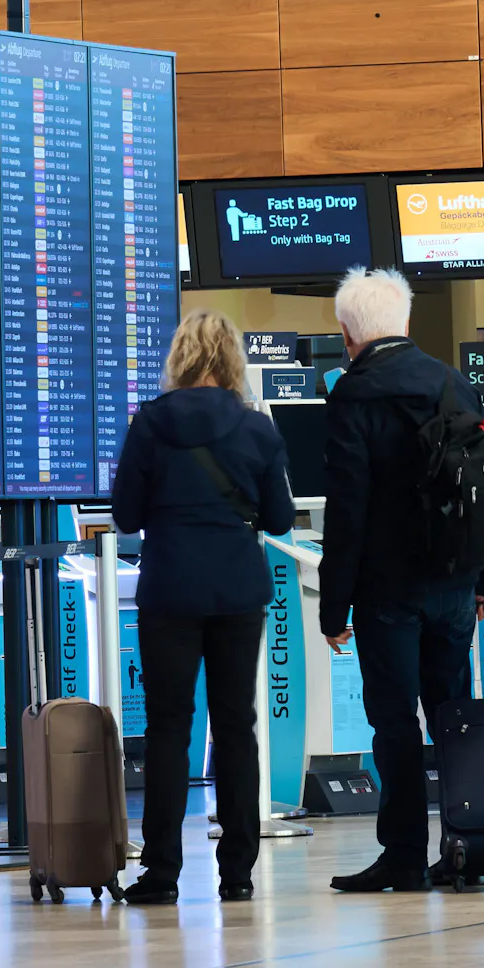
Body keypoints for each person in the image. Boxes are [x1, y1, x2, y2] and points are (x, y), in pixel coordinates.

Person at [318, 268, 484, 894]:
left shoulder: (353, 394)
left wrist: (334, 604)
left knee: (394, 722)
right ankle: (467, 850)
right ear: (405, 322)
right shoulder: (454, 383)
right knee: (452, 714)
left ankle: (402, 853)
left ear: (349, 334)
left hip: (386, 587)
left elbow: (348, 509)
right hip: (454, 583)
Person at [109, 308, 295, 905]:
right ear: (233, 361)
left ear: (180, 357)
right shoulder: (258, 428)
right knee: (236, 725)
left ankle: (161, 872)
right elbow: (281, 519)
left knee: (168, 729)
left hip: (169, 590)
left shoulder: (148, 423)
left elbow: (126, 516)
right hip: (238, 590)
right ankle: (236, 874)